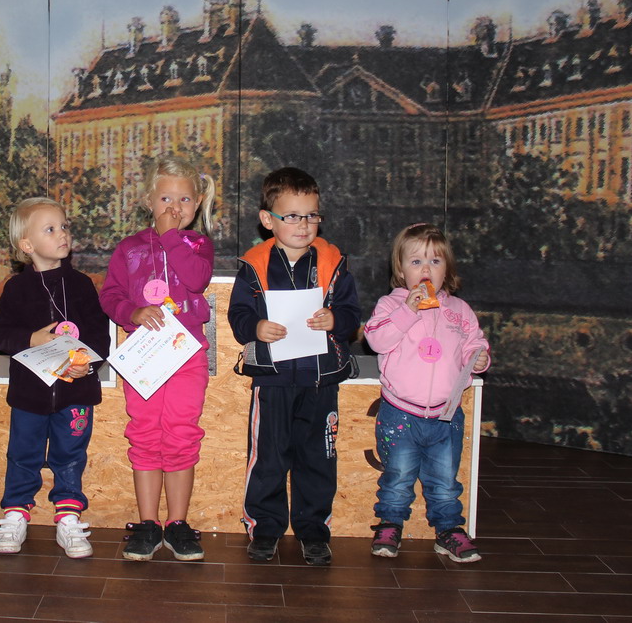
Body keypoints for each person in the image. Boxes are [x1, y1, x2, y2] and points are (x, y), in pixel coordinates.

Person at [227, 167, 360, 567]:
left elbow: (351, 313)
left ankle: (313, 530)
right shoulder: (254, 265)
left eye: (312, 215)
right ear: (268, 220)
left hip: (322, 381)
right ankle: (265, 528)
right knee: (268, 458)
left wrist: (335, 320)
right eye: (292, 216)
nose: (304, 225)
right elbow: (238, 315)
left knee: (318, 458)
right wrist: (257, 328)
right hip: (273, 381)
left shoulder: (334, 261)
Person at [99, 155, 215, 562]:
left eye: (184, 200)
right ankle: (147, 523)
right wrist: (131, 313)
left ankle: (177, 523)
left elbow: (197, 279)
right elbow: (110, 295)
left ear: (197, 204)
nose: (174, 207)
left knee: (182, 432)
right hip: (144, 357)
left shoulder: (198, 245)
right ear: (149, 201)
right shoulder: (129, 249)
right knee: (145, 432)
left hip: (186, 356)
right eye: (165, 198)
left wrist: (169, 237)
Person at [363, 222, 490, 563]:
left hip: (446, 415)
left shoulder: (459, 310)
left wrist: (479, 357)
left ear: (447, 269)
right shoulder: (391, 305)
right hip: (400, 413)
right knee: (398, 476)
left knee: (445, 480)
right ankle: (389, 524)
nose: (425, 270)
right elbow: (376, 339)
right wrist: (408, 310)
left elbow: (473, 343)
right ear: (400, 270)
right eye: (416, 261)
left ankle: (448, 530)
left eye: (435, 261)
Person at [0, 198, 110, 558]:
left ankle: (68, 518)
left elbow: (100, 335)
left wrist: (87, 363)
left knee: (70, 455)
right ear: (27, 245)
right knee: (22, 454)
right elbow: (0, 336)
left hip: (76, 392)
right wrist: (31, 339)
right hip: (29, 395)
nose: (62, 234)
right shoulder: (16, 288)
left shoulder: (82, 285)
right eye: (51, 229)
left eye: (64, 226)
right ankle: (15, 514)